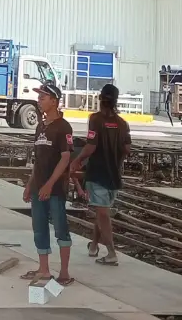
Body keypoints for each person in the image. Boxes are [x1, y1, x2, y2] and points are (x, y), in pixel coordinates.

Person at [72, 83, 131, 267]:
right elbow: (127, 149)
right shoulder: (122, 124)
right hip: (114, 175)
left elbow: (91, 146)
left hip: (97, 173)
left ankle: (111, 253)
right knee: (102, 210)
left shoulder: (95, 119)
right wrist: (116, 160)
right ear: (116, 101)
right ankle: (93, 246)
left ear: (100, 99)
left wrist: (77, 160)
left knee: (102, 214)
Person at [22, 82, 75, 285]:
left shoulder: (63, 127)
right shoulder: (40, 126)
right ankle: (43, 269)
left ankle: (64, 272)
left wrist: (50, 184)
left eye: (42, 98)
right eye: (39, 98)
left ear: (54, 101)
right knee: (39, 227)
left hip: (55, 189)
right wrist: (30, 184)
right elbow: (38, 160)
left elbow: (65, 158)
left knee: (60, 227)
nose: (39, 101)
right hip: (39, 186)